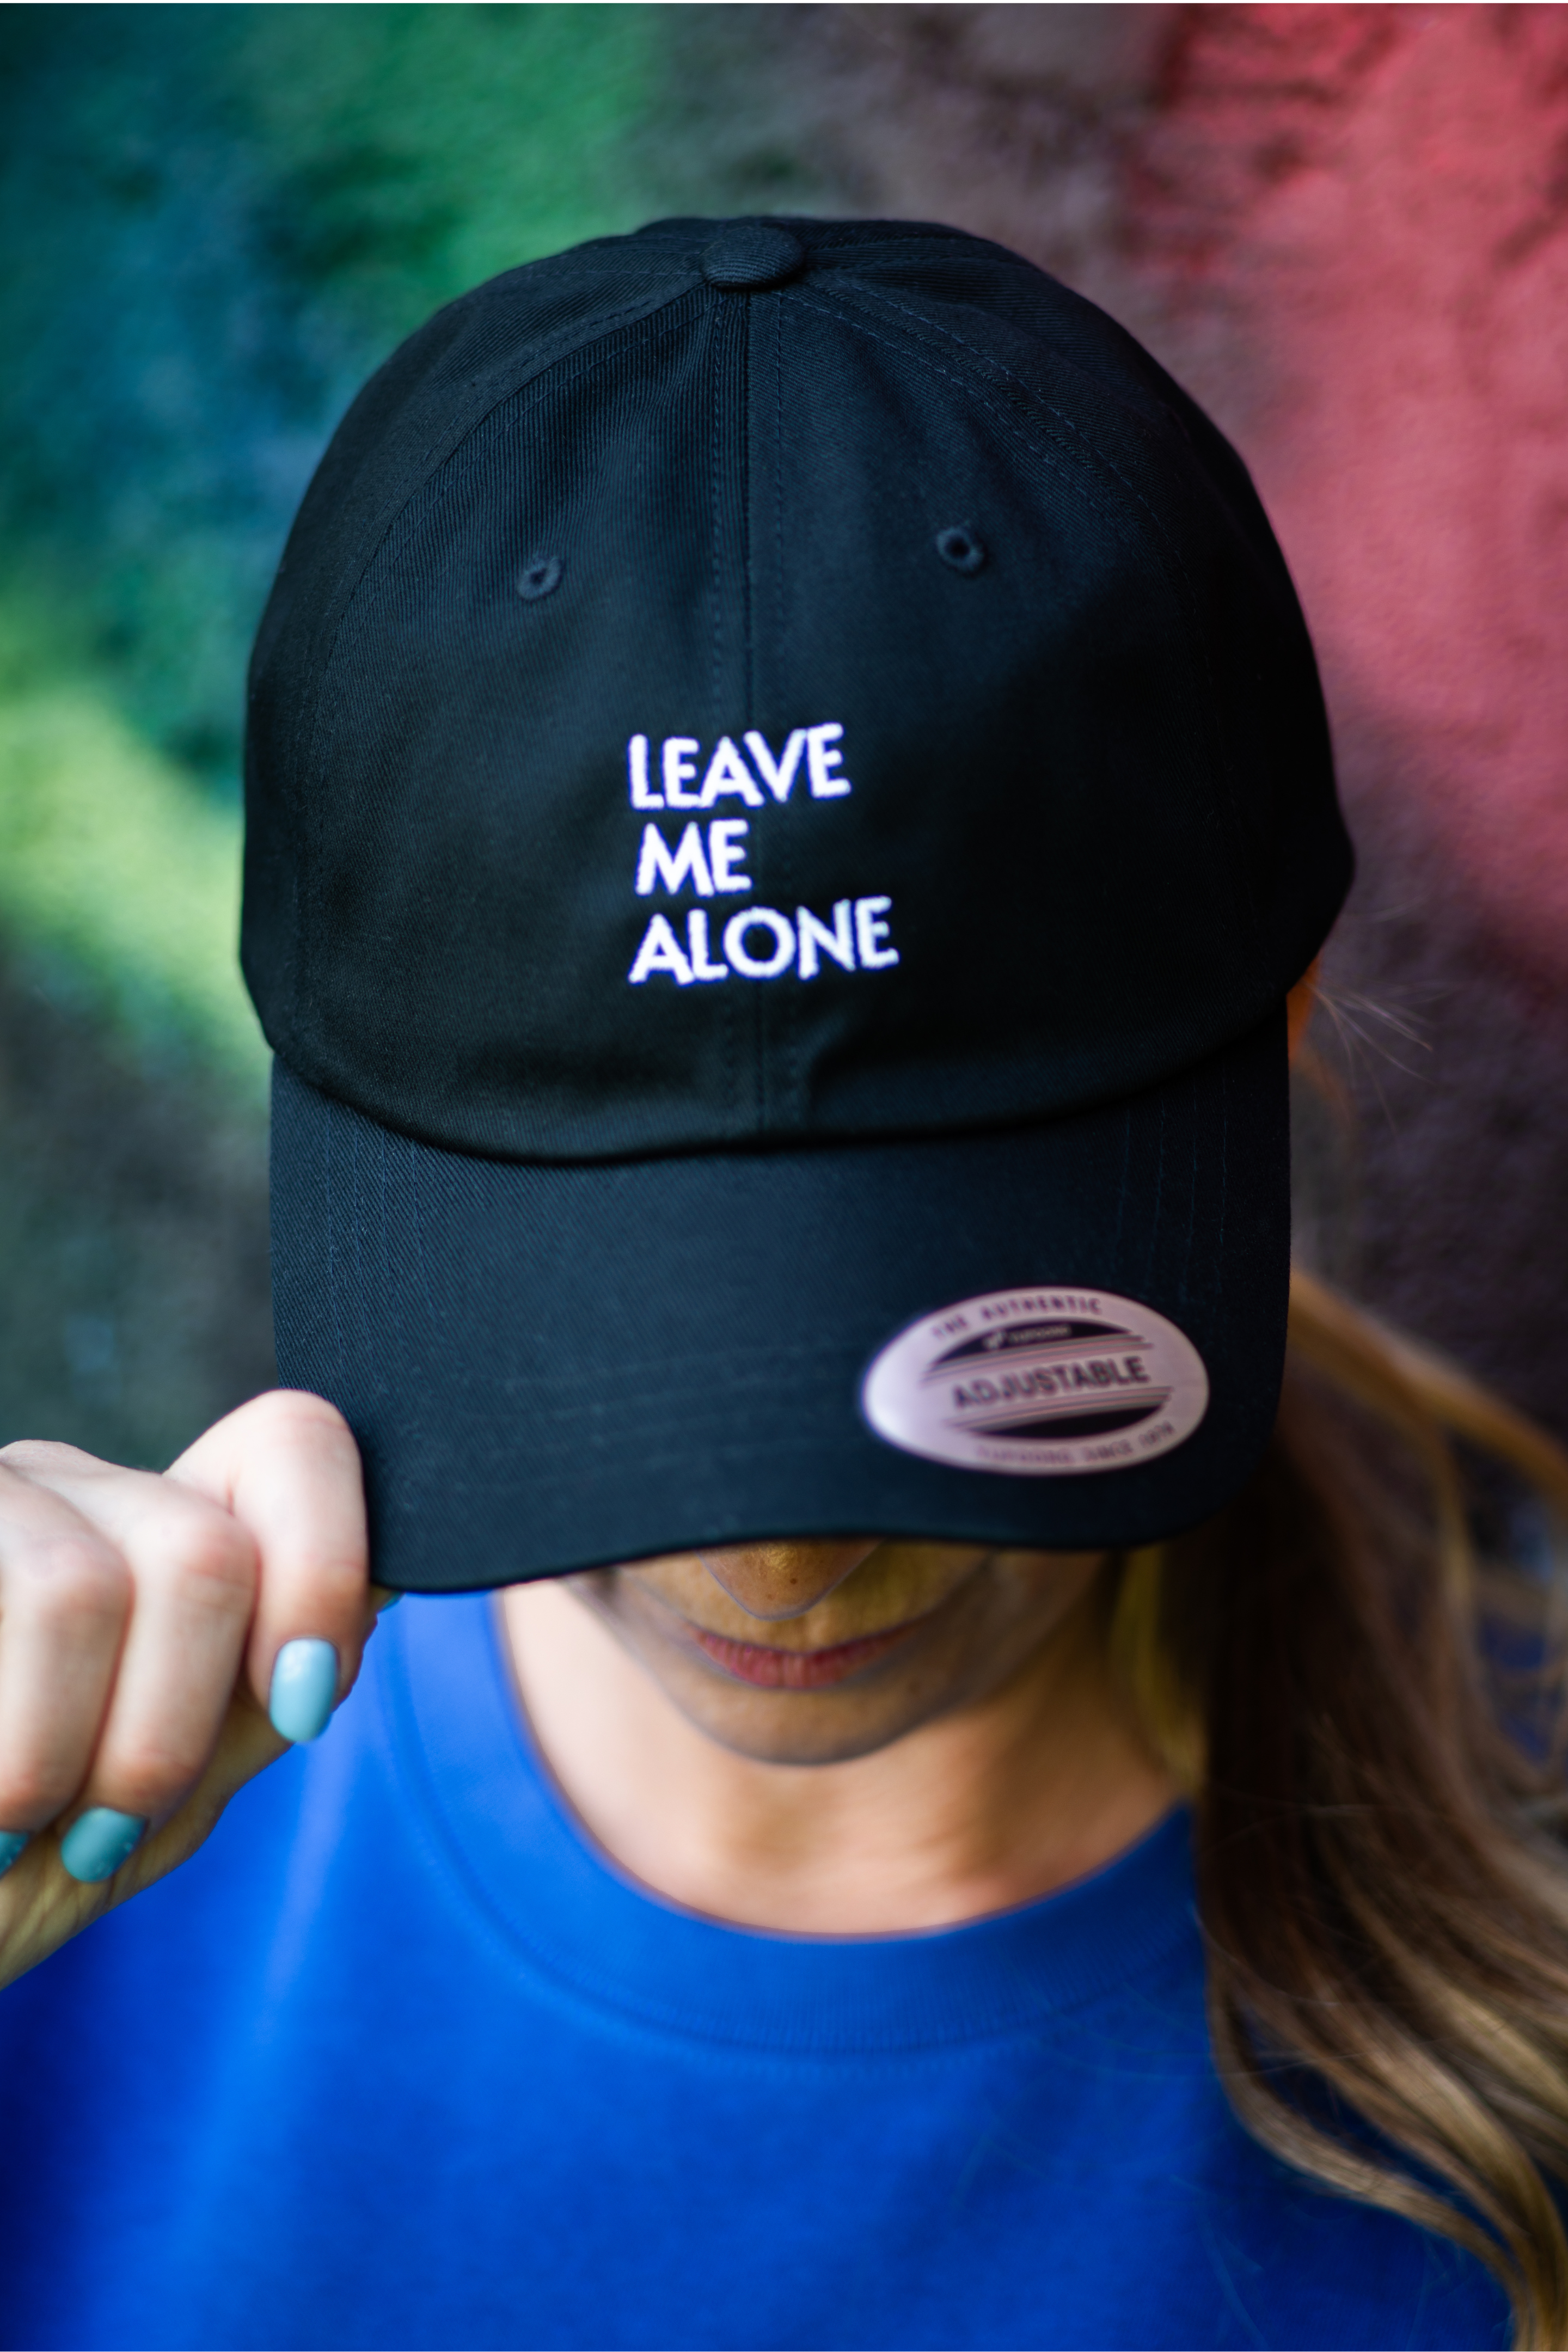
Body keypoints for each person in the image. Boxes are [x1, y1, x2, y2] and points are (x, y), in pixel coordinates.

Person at [0, 215, 1565, 2352]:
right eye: (619, 1322)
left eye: (909, 1299)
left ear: (1279, 1027)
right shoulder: (64, 1866)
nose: (790, 1559)